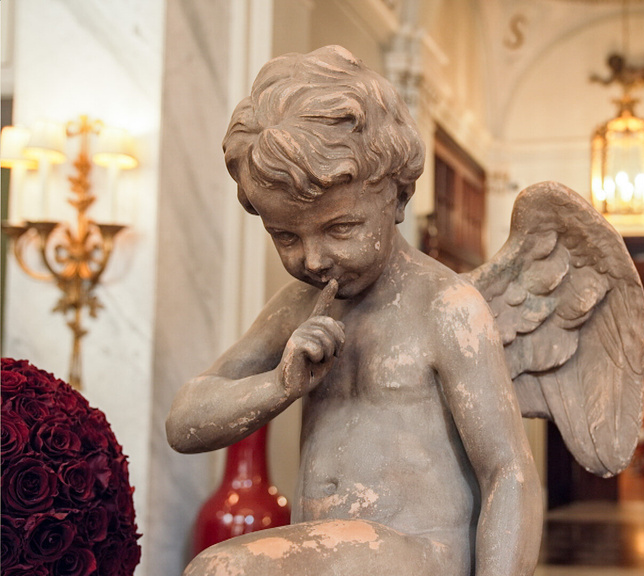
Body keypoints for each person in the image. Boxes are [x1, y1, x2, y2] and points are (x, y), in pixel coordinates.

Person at [165, 46, 542, 576]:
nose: (314, 259)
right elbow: (184, 423)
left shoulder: (445, 307)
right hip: (331, 552)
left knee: (223, 570)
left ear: (397, 197)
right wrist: (278, 386)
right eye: (285, 236)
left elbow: (509, 473)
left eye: (341, 228)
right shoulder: (297, 306)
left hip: (420, 554)